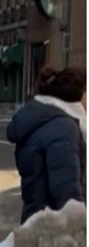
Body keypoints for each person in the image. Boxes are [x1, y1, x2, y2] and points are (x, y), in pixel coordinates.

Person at [6, 65, 86, 223]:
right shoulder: (63, 128)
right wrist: (81, 227)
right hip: (56, 228)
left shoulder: (46, 120)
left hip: (37, 220)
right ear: (80, 94)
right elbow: (67, 195)